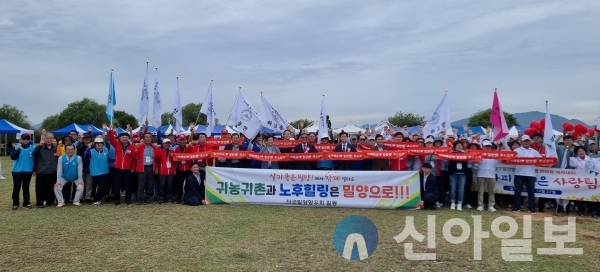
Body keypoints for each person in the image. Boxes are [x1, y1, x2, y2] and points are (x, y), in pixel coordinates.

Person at [513, 135, 542, 214]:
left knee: (531, 192)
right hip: (519, 173)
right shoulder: (516, 151)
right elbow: (510, 159)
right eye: (524, 141)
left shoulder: (534, 151)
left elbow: (541, 160)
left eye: (527, 141)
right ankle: (517, 207)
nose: (526, 142)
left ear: (530, 142)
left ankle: (531, 208)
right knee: (518, 191)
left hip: (531, 174)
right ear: (521, 142)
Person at [107, 126, 135, 205]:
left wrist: (132, 168)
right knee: (117, 184)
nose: (124, 139)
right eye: (122, 137)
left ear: (128, 139)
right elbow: (111, 139)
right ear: (120, 138)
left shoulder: (132, 147)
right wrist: (111, 130)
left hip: (127, 169)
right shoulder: (117, 144)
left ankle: (128, 198)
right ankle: (117, 199)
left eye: (126, 137)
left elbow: (133, 159)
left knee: (128, 184)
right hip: (117, 168)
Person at [32, 132, 59, 208]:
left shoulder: (56, 148)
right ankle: (39, 203)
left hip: (53, 171)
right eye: (47, 138)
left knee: (51, 188)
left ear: (53, 139)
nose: (49, 140)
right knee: (40, 188)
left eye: (51, 138)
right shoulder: (40, 147)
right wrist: (40, 146)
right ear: (44, 139)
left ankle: (49, 201)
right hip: (42, 171)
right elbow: (34, 154)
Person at [84, 138, 113, 206]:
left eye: (100, 143)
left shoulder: (106, 150)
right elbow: (85, 155)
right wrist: (88, 147)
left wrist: (116, 159)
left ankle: (97, 199)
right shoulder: (91, 151)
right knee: (102, 186)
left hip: (105, 171)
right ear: (95, 144)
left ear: (103, 144)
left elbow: (108, 159)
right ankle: (95, 200)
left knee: (106, 187)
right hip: (96, 171)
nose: (99, 144)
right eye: (97, 143)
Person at [10, 133, 35, 210]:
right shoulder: (16, 147)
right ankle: (15, 203)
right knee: (16, 188)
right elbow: (13, 157)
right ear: (20, 139)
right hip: (17, 171)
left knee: (26, 187)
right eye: (24, 139)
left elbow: (35, 159)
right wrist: (18, 150)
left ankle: (26, 203)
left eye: (28, 139)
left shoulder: (32, 148)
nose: (26, 140)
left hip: (28, 171)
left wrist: (34, 170)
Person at [133, 132, 159, 204]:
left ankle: (147, 198)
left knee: (150, 184)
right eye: (146, 137)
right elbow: (134, 157)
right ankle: (139, 199)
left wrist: (156, 168)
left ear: (151, 138)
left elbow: (156, 159)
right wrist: (135, 150)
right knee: (141, 184)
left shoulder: (154, 147)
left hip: (151, 167)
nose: (148, 138)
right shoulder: (140, 146)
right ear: (143, 139)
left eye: (149, 137)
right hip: (142, 167)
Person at [569, 146, 592, 216]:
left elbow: (591, 167)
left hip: (589, 180)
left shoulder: (589, 158)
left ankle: (590, 210)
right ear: (576, 153)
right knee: (579, 195)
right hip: (579, 180)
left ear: (585, 151)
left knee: (589, 195)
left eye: (582, 151)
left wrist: (590, 159)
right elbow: (572, 164)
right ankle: (581, 210)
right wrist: (571, 157)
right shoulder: (575, 159)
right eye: (579, 151)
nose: (581, 152)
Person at [477, 139, 498, 212]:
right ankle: (480, 205)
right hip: (481, 174)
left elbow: (502, 159)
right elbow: (472, 162)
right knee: (480, 191)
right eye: (486, 146)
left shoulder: (495, 154)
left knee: (491, 191)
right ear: (482, 147)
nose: (487, 147)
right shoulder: (478, 154)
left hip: (491, 175)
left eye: (489, 146)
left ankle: (491, 205)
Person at [448, 141, 468, 211]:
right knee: (453, 188)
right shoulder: (451, 153)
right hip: (453, 173)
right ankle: (453, 202)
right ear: (455, 147)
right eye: (457, 145)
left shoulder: (465, 154)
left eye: (460, 145)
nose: (459, 146)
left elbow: (471, 160)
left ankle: (459, 203)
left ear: (462, 147)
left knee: (461, 189)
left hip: (462, 173)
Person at [155, 139, 176, 204]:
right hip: (162, 171)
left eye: (168, 143)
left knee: (170, 185)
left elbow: (175, 162)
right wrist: (157, 149)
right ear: (163, 144)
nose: (167, 145)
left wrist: (174, 169)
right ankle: (161, 197)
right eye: (165, 143)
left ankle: (169, 197)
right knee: (162, 185)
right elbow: (156, 157)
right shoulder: (160, 151)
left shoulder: (172, 152)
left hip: (170, 171)